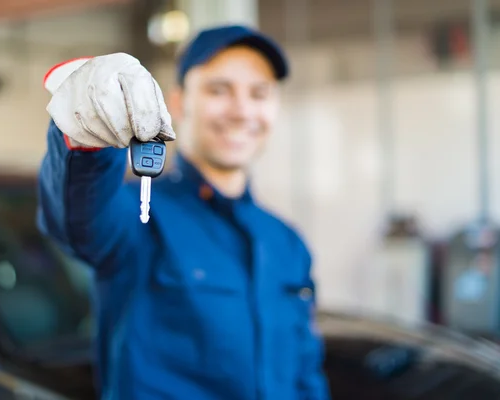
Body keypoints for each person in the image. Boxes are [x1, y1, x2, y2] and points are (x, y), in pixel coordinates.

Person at [37, 24, 330, 400]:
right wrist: (85, 135)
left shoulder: (287, 242)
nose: (242, 111)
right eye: (218, 90)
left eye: (259, 94)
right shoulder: (137, 217)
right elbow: (76, 217)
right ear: (178, 102)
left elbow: (306, 373)